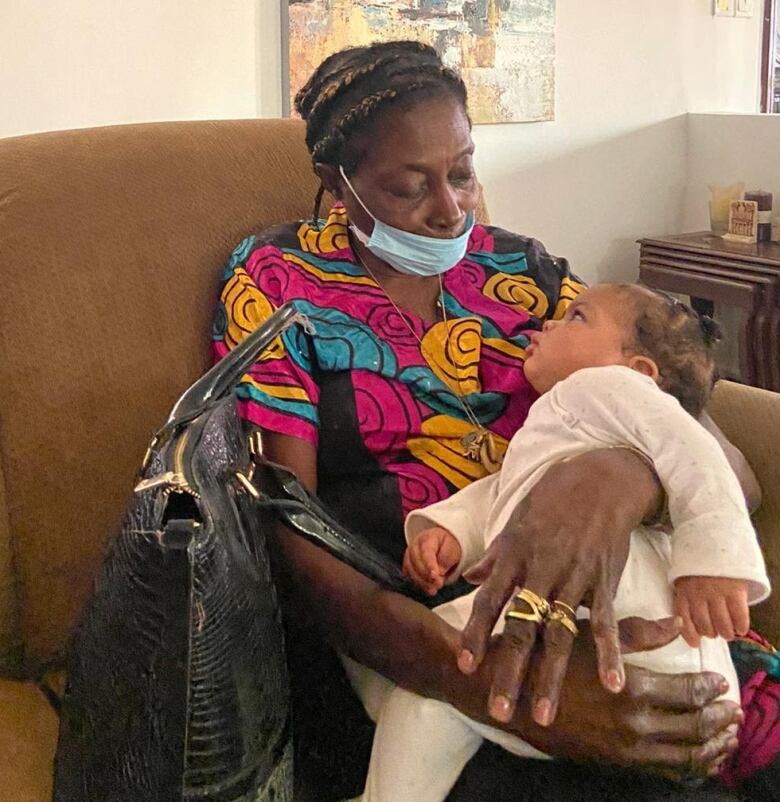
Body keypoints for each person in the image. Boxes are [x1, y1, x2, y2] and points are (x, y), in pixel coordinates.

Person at [211, 40, 765, 801]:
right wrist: (474, 680)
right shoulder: (280, 282)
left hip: (596, 600)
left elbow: (728, 468)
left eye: (464, 171)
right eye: (411, 187)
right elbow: (286, 528)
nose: (451, 209)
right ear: (338, 185)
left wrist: (617, 480)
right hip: (413, 637)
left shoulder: (526, 275)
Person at [354, 283, 770, 802]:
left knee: (428, 674)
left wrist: (714, 561)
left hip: (618, 624)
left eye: (577, 317)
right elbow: (508, 493)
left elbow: (697, 453)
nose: (549, 323)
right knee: (435, 690)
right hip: (596, 651)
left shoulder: (604, 389)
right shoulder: (558, 425)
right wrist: (451, 533)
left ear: (638, 371)